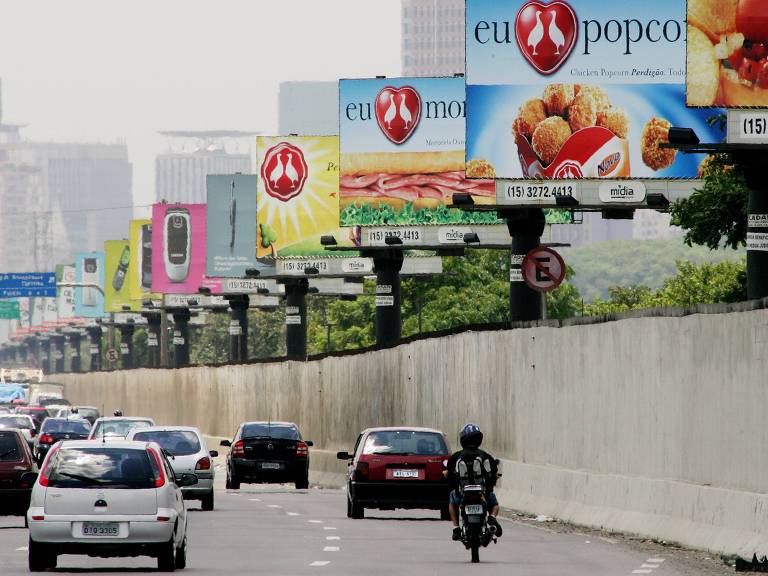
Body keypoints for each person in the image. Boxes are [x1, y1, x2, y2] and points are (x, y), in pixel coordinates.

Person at [445, 423, 502, 541]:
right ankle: (492, 517)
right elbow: (493, 473)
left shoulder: (456, 457)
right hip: (483, 494)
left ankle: (456, 528)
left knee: (452, 498)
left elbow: (450, 474)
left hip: (462, 494)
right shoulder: (486, 456)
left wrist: (447, 475)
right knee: (494, 504)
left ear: (463, 439)